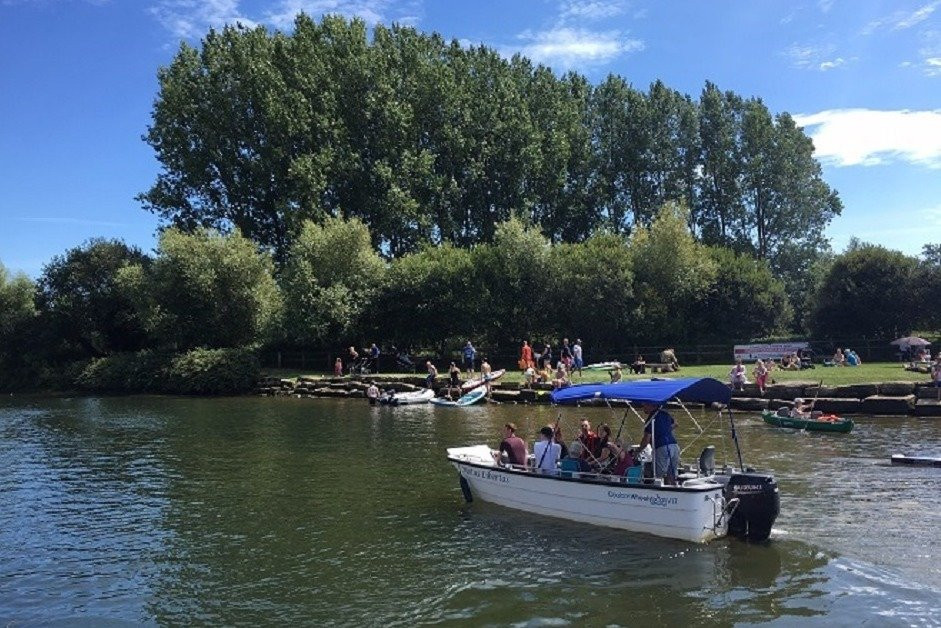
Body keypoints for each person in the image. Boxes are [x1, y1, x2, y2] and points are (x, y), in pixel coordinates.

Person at [638, 402, 679, 485]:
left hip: (662, 448)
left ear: (652, 405)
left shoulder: (650, 419)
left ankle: (657, 495)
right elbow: (675, 424)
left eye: (645, 405)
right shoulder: (665, 414)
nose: (643, 406)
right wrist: (664, 431)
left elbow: (645, 441)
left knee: (657, 476)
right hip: (674, 446)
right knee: (671, 474)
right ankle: (672, 491)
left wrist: (637, 451)